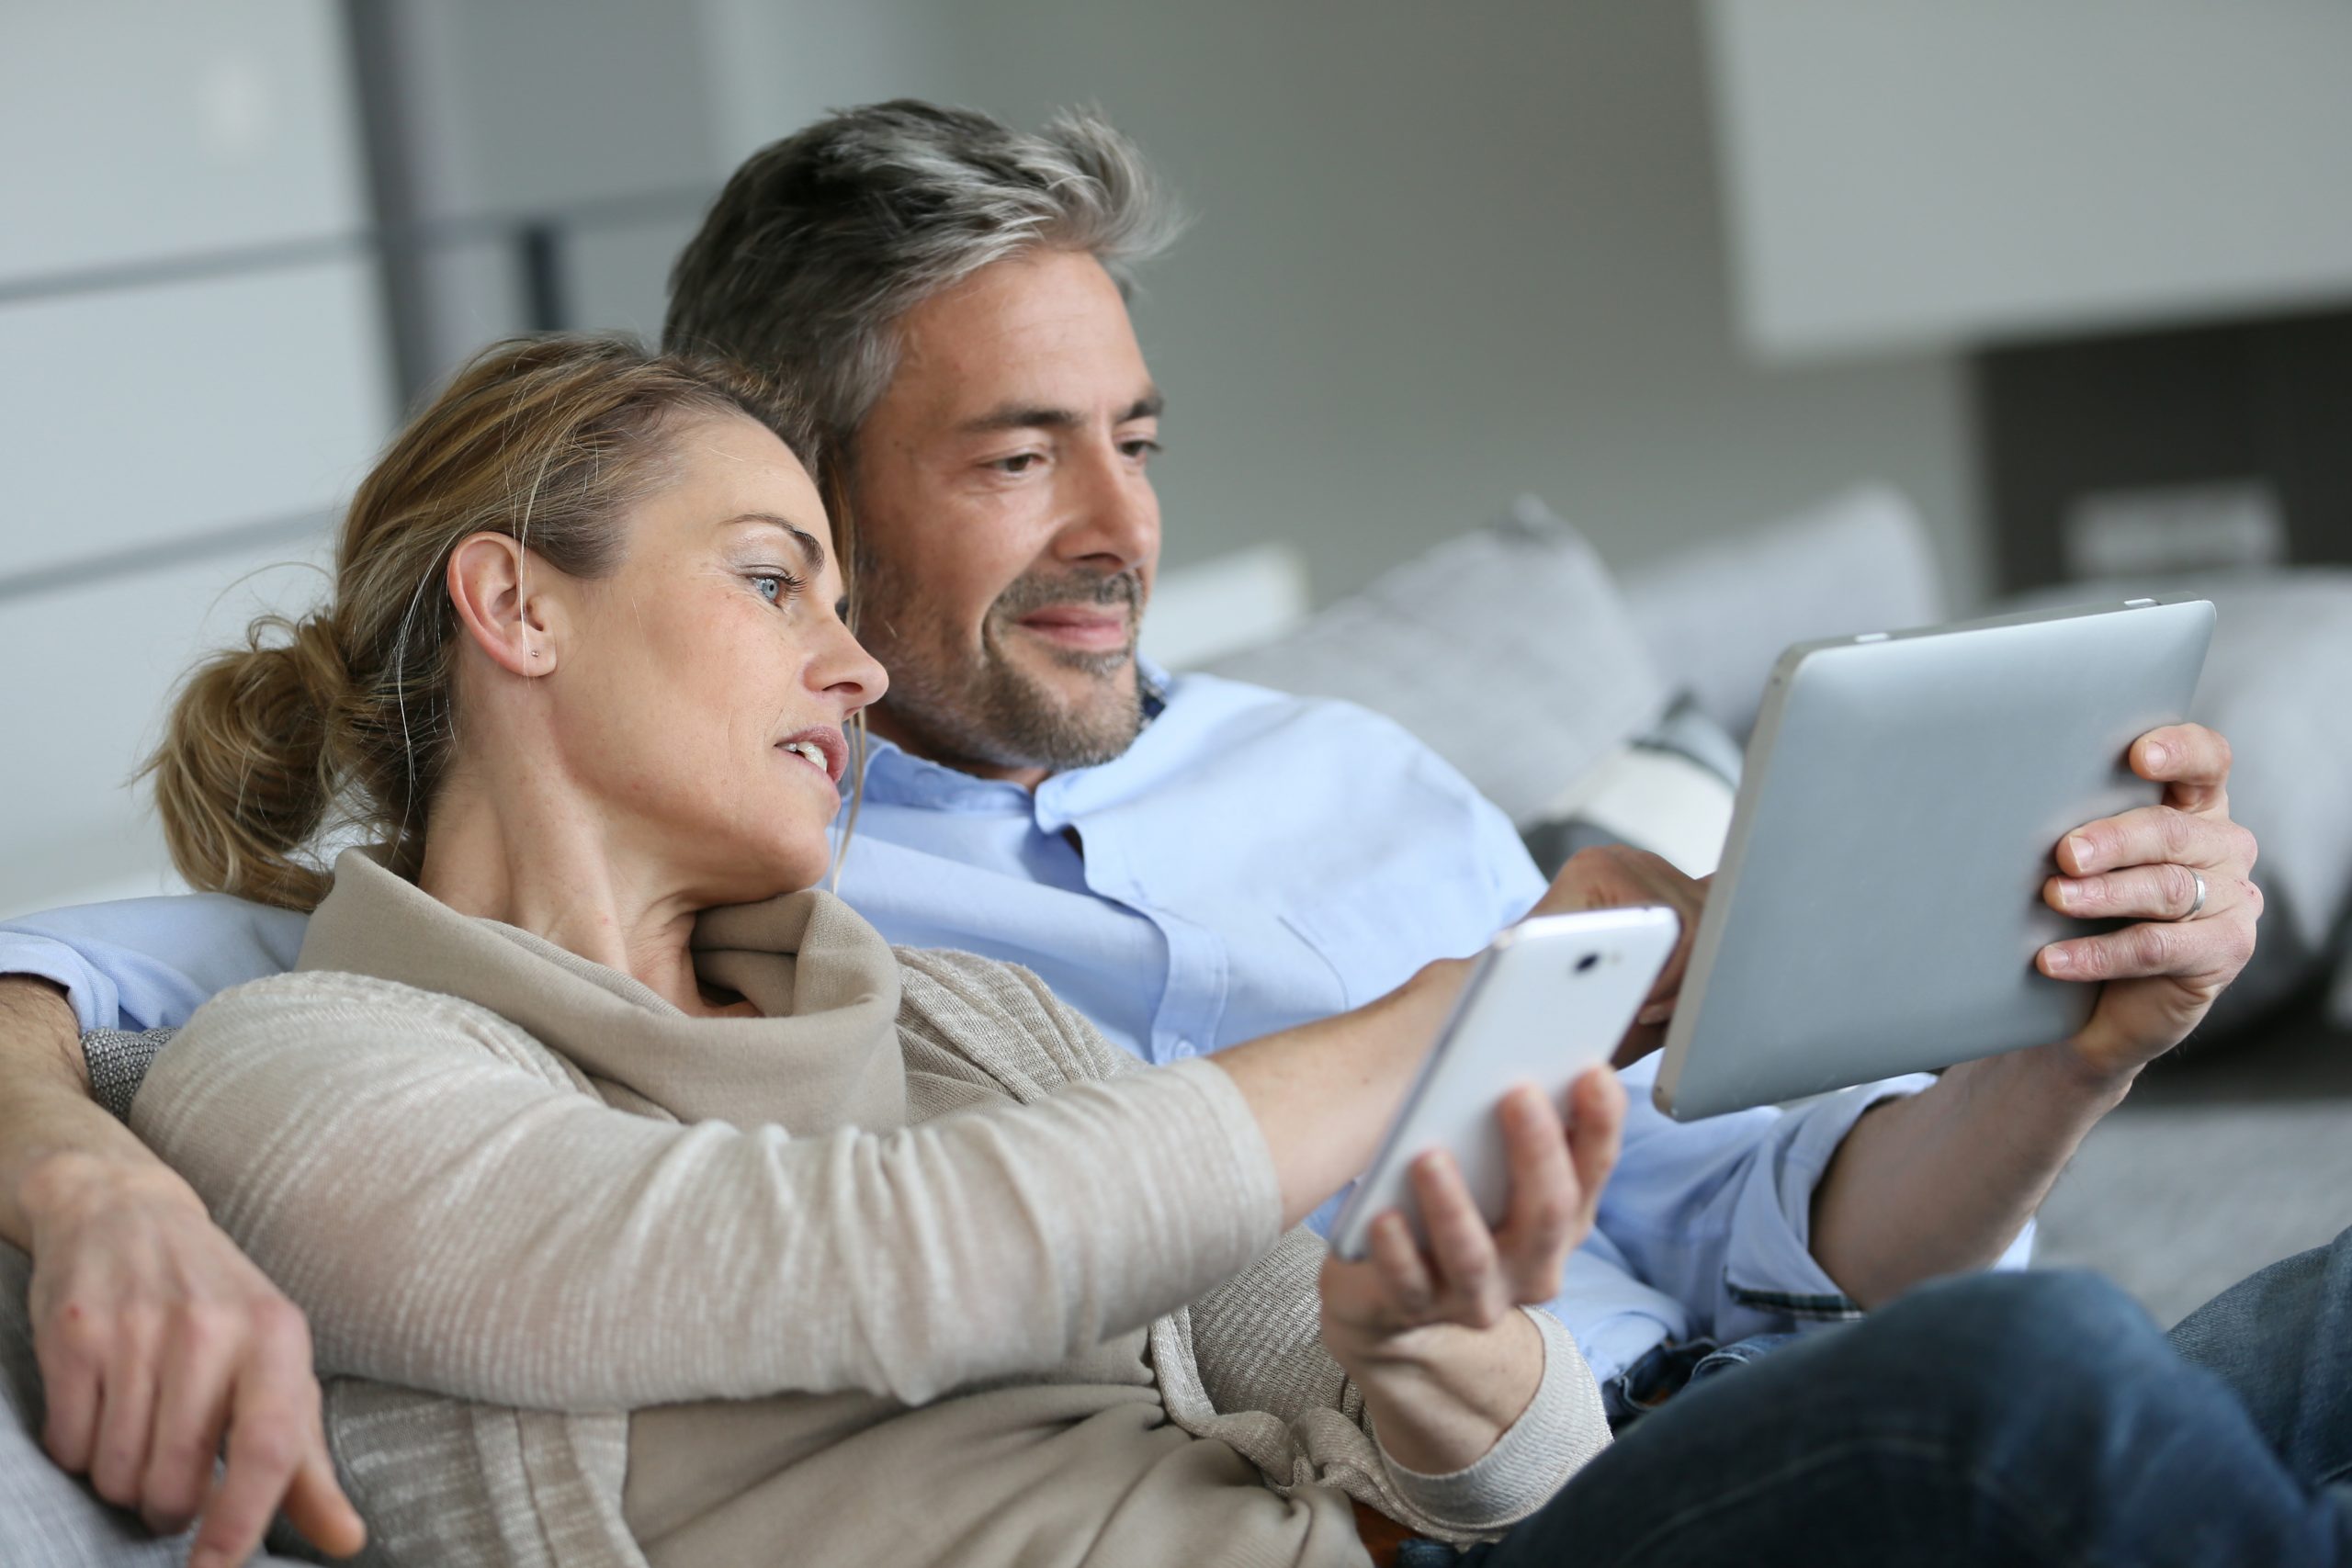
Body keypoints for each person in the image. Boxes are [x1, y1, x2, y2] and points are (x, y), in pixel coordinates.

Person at [0, 103, 2293, 1563]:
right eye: (1012, 458)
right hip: (1697, 1468)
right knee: (2044, 1385)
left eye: (1140, 437)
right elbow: (132, 985)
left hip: (1649, 1430)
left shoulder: (1023, 961)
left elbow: (1475, 1355)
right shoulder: (390, 1029)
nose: (1122, 528)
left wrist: (2061, 1051)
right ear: (529, 600)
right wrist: (78, 1165)